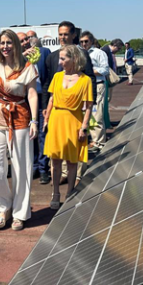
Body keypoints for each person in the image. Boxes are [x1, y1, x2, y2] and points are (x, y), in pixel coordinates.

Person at [0, 29, 39, 231]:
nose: (5, 46)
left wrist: (34, 120)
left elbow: (32, 94)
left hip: (20, 118)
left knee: (21, 167)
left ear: (15, 44)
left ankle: (20, 212)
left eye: (8, 43)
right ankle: (3, 207)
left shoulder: (27, 67)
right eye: (2, 43)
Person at [41, 21, 96, 185]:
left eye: (66, 34)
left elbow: (90, 78)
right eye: (60, 34)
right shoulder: (52, 56)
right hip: (57, 111)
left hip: (76, 111)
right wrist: (46, 107)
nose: (62, 37)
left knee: (75, 149)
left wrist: (90, 105)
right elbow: (47, 82)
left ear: (73, 35)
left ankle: (76, 177)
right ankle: (61, 177)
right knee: (58, 149)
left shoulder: (82, 55)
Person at [43, 45, 94, 209]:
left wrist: (84, 126)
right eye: (60, 58)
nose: (60, 62)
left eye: (63, 58)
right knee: (55, 160)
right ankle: (55, 193)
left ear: (74, 59)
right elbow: (51, 98)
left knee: (72, 161)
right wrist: (46, 118)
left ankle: (70, 192)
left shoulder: (85, 80)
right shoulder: (57, 76)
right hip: (56, 120)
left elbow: (88, 105)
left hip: (74, 121)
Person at [27, 30, 53, 184]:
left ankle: (44, 168)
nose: (31, 40)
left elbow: (48, 78)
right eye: (28, 37)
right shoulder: (21, 56)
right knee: (30, 136)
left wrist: (46, 102)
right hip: (26, 102)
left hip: (41, 99)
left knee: (42, 134)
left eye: (32, 36)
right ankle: (34, 166)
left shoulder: (45, 52)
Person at [79, 31, 110, 152]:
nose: (84, 44)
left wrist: (90, 71)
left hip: (97, 84)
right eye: (81, 42)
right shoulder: (80, 53)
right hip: (84, 86)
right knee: (87, 114)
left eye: (86, 41)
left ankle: (99, 142)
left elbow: (105, 70)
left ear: (91, 41)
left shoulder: (99, 53)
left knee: (97, 113)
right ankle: (92, 139)